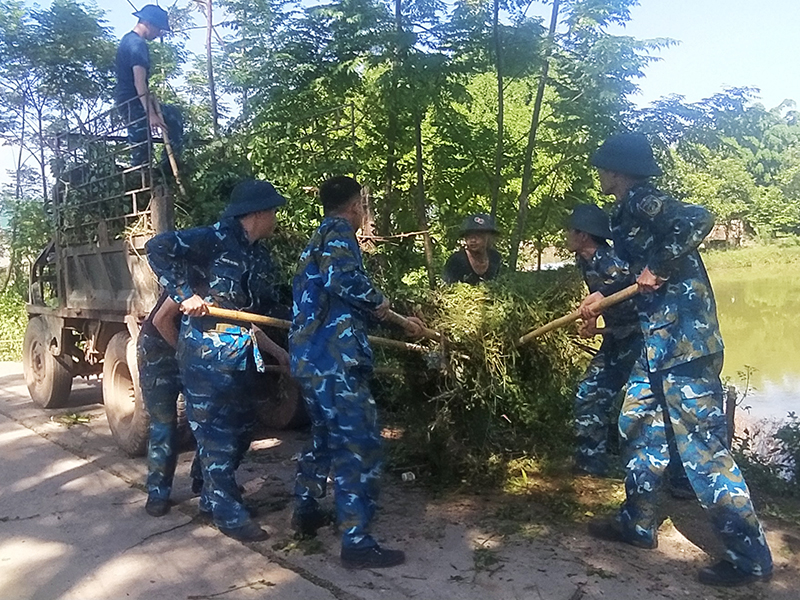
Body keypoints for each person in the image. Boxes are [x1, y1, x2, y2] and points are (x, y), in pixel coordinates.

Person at [580, 133, 773, 587]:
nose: (601, 175)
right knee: (637, 422)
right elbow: (631, 278)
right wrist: (600, 296)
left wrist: (662, 266)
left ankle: (750, 558)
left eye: (604, 168)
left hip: (686, 342)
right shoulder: (623, 213)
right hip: (657, 344)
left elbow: (698, 219)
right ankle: (637, 523)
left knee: (703, 450)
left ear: (618, 171)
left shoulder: (645, 199)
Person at [289, 175, 423, 569]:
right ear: (355, 207)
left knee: (325, 439)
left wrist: (393, 318)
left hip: (312, 361)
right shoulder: (339, 234)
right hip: (335, 362)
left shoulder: (315, 241)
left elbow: (337, 301)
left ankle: (307, 507)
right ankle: (356, 541)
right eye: (363, 206)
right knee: (359, 445)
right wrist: (380, 301)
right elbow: (343, 281)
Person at [145, 179, 290, 542]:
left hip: (240, 354)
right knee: (216, 437)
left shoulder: (258, 254)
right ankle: (225, 510)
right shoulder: (213, 238)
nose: (276, 218)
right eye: (272, 211)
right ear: (257, 213)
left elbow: (255, 312)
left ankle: (212, 495)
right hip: (205, 357)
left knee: (242, 431)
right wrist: (184, 295)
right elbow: (157, 247)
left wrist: (280, 351)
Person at [566, 204, 642, 477]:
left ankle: (675, 476)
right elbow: (595, 300)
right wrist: (591, 320)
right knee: (589, 393)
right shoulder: (583, 262)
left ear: (583, 235)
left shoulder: (611, 260)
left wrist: (602, 299)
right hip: (614, 338)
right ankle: (590, 463)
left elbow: (632, 284)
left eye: (570, 231)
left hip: (639, 341)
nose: (565, 235)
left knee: (648, 406)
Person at [137, 292, 203, 517]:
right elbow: (161, 320)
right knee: (164, 424)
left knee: (206, 418)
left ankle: (206, 480)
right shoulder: (190, 280)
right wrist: (186, 355)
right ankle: (158, 493)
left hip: (190, 350)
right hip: (158, 351)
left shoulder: (227, 279)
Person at [115, 4, 183, 167]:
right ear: (148, 23)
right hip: (135, 104)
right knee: (173, 118)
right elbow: (139, 82)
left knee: (142, 147)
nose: (159, 33)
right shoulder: (138, 45)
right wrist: (151, 113)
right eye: (158, 28)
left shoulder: (127, 39)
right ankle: (166, 170)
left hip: (128, 102)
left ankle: (157, 173)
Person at [442, 213, 502, 284]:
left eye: (478, 235)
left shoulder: (495, 258)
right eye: (469, 236)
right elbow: (447, 288)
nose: (473, 240)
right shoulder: (456, 261)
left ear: (488, 237)